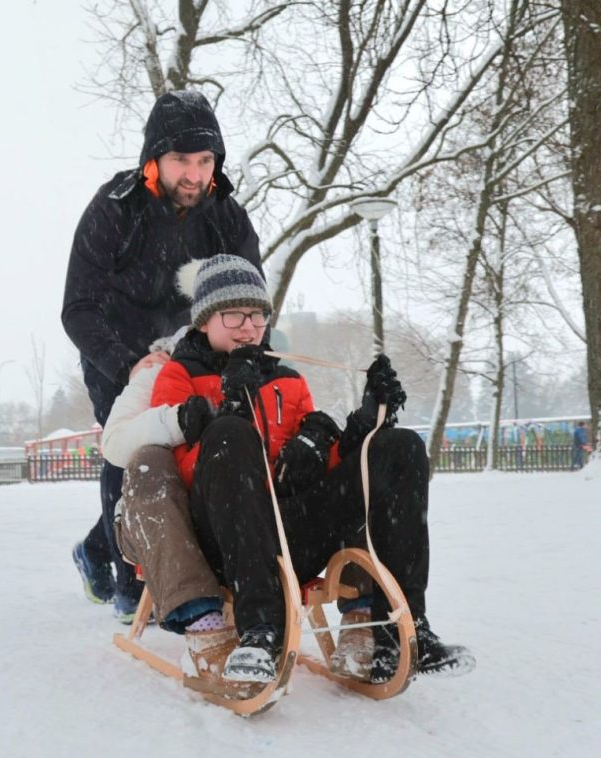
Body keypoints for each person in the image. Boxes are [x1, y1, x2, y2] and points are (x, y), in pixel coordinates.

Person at [149, 254, 474, 685]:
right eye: (233, 315)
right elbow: (183, 474)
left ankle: (399, 631)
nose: (249, 326)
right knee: (229, 433)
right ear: (205, 320)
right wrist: (229, 406)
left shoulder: (288, 380)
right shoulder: (178, 376)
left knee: (400, 447)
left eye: (257, 314)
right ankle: (259, 633)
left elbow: (333, 463)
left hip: (293, 531)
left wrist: (363, 422)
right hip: (226, 541)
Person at [62, 90, 262, 622]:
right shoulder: (114, 208)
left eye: (205, 160)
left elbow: (250, 295)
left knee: (196, 454)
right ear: (153, 158)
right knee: (132, 448)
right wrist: (128, 361)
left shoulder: (225, 216)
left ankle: (99, 547)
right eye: (181, 160)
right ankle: (131, 584)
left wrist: (243, 352)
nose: (195, 174)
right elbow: (77, 307)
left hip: (195, 353)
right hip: (120, 354)